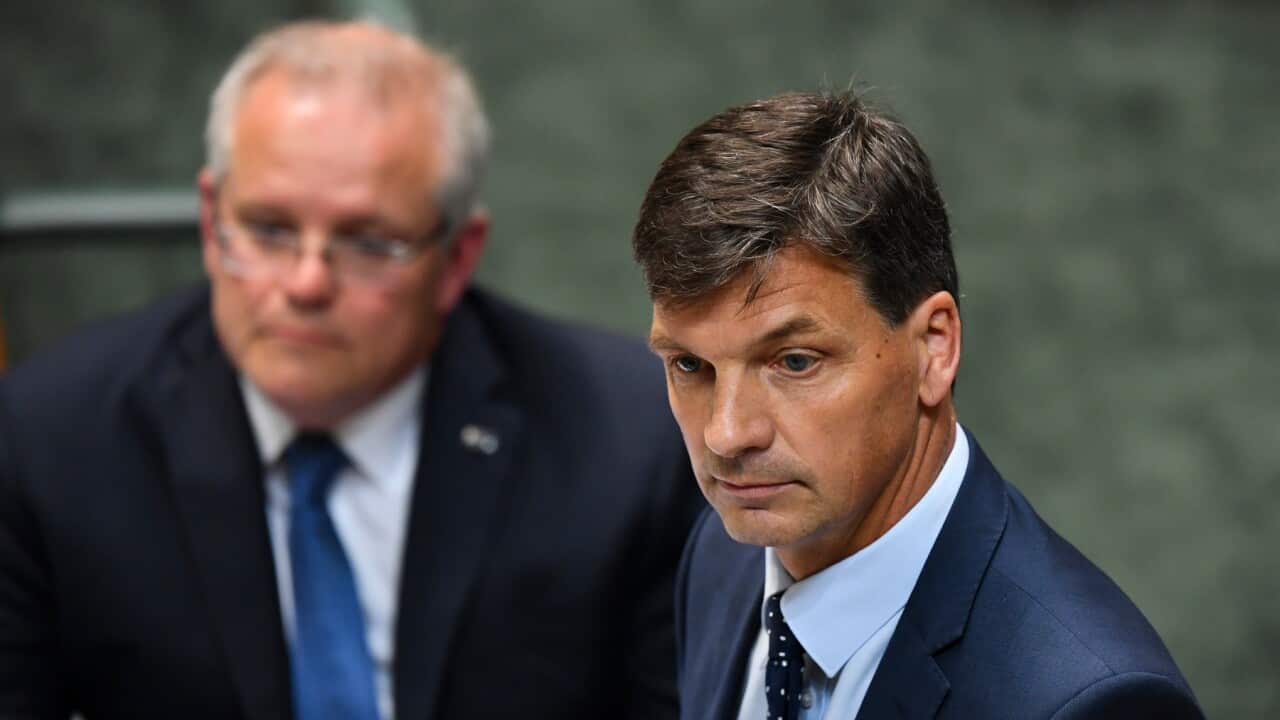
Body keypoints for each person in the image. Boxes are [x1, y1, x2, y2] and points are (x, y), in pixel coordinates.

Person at [0, 19, 701, 720]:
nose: (306, 283)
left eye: (368, 242)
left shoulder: (625, 443)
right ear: (213, 221)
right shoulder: (50, 440)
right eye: (269, 229)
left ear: (457, 257)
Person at [631, 91, 1203, 719]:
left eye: (795, 361)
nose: (726, 434)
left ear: (935, 347)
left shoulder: (1092, 701)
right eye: (690, 366)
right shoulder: (721, 556)